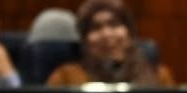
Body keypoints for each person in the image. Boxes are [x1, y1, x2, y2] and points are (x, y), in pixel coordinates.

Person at [46, 0, 174, 87]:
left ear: (129, 32)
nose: (106, 34)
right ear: (84, 39)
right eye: (95, 27)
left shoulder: (159, 77)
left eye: (114, 24)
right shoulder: (65, 77)